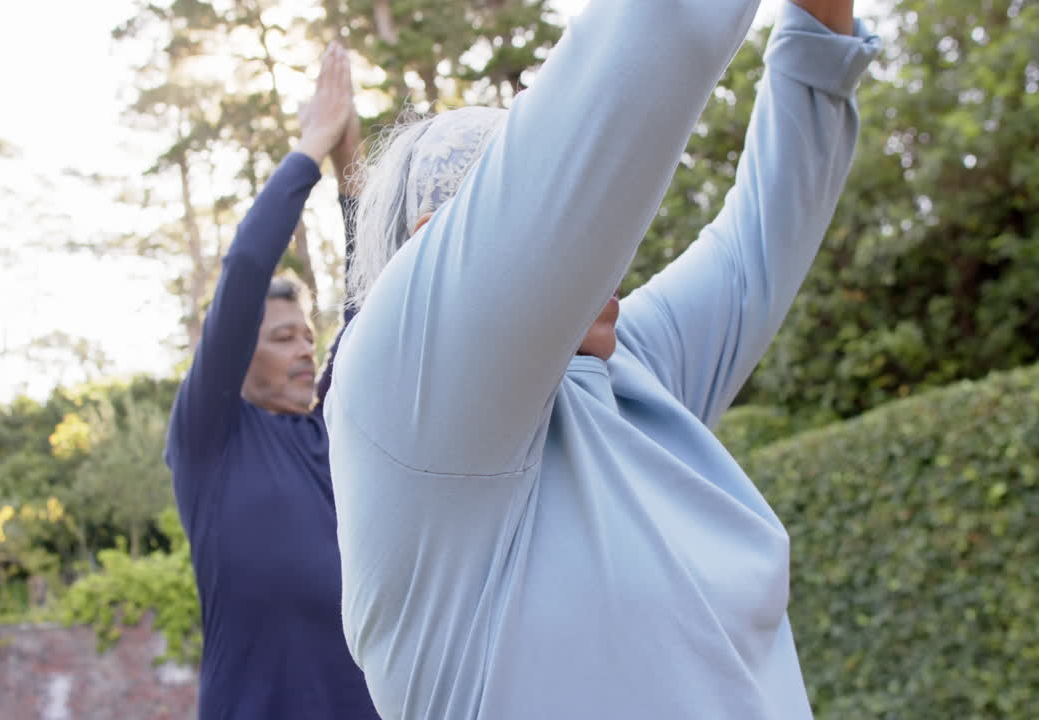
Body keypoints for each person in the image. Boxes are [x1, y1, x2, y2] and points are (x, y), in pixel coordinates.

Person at [325, 2, 880, 718]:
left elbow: (765, 232)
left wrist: (818, 25)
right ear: (436, 256)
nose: (610, 250)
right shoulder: (400, 393)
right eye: (576, 223)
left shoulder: (624, 373)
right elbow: (657, 36)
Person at [164, 42, 379, 720]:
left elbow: (374, 302)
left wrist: (355, 180)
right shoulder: (211, 438)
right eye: (283, 337)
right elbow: (248, 268)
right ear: (232, 354)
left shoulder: (332, 429)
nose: (305, 349)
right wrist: (310, 148)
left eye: (307, 337)